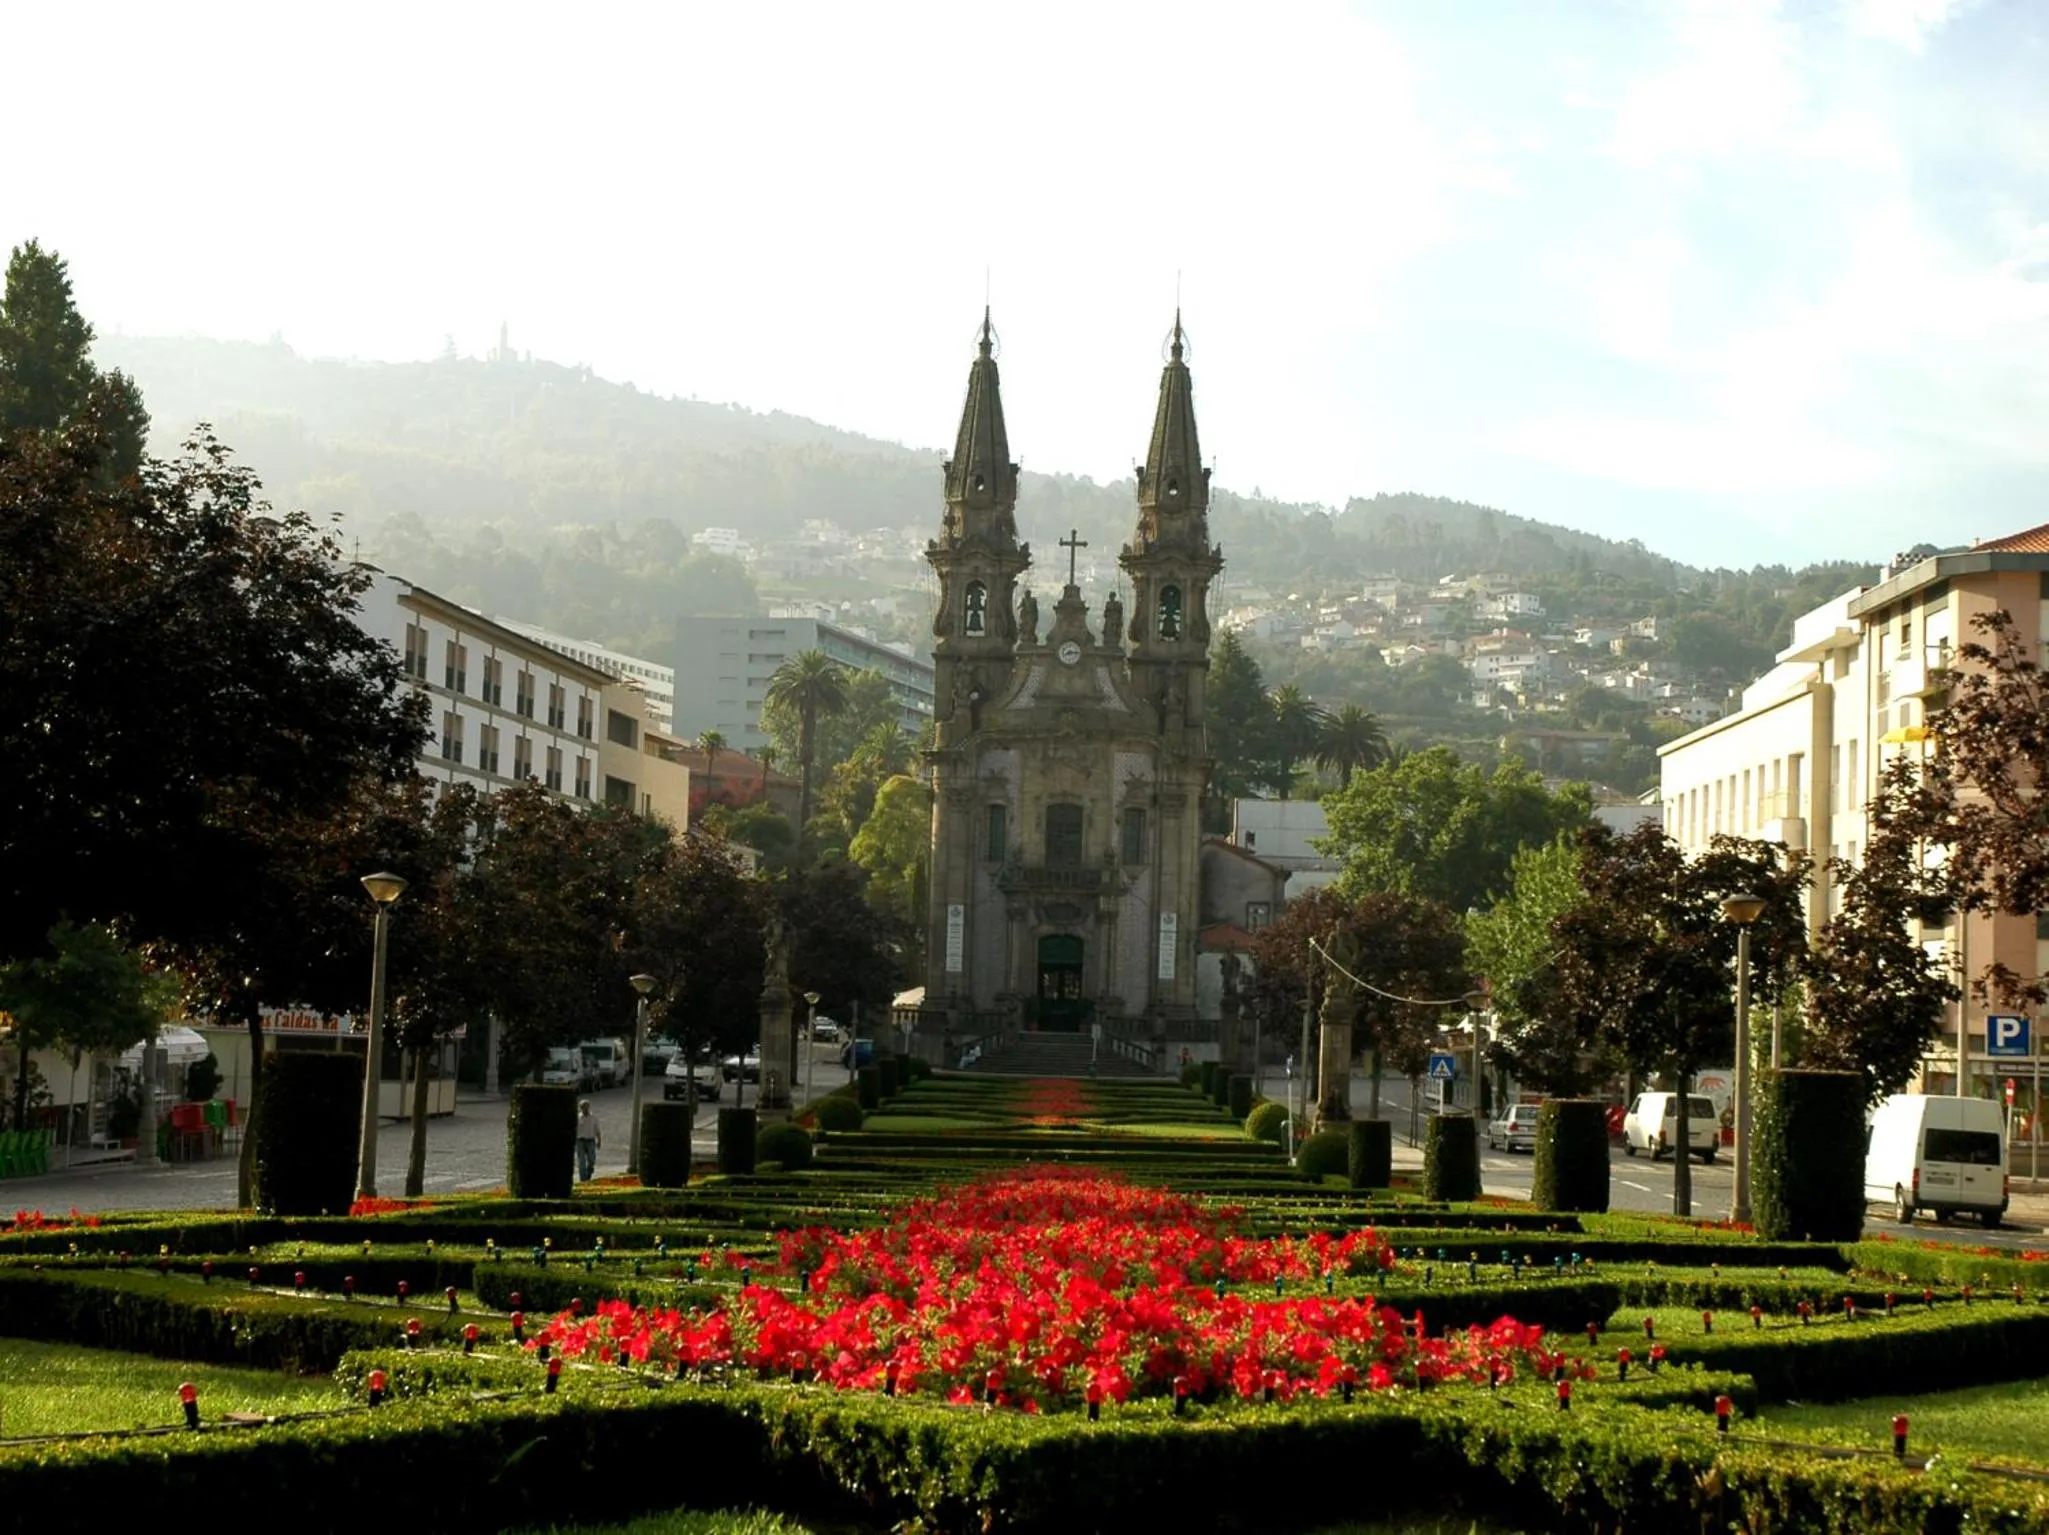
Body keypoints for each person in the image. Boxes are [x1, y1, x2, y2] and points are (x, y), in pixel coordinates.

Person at [574, 1099, 600, 1182]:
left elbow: (597, 1130)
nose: (585, 1109)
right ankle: (583, 1179)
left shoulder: (593, 1117)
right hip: (580, 1141)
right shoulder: (578, 1118)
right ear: (581, 1108)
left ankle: (589, 1172)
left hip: (590, 1140)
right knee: (581, 1161)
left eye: (586, 1107)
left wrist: (599, 1140)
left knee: (592, 1160)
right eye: (583, 1107)